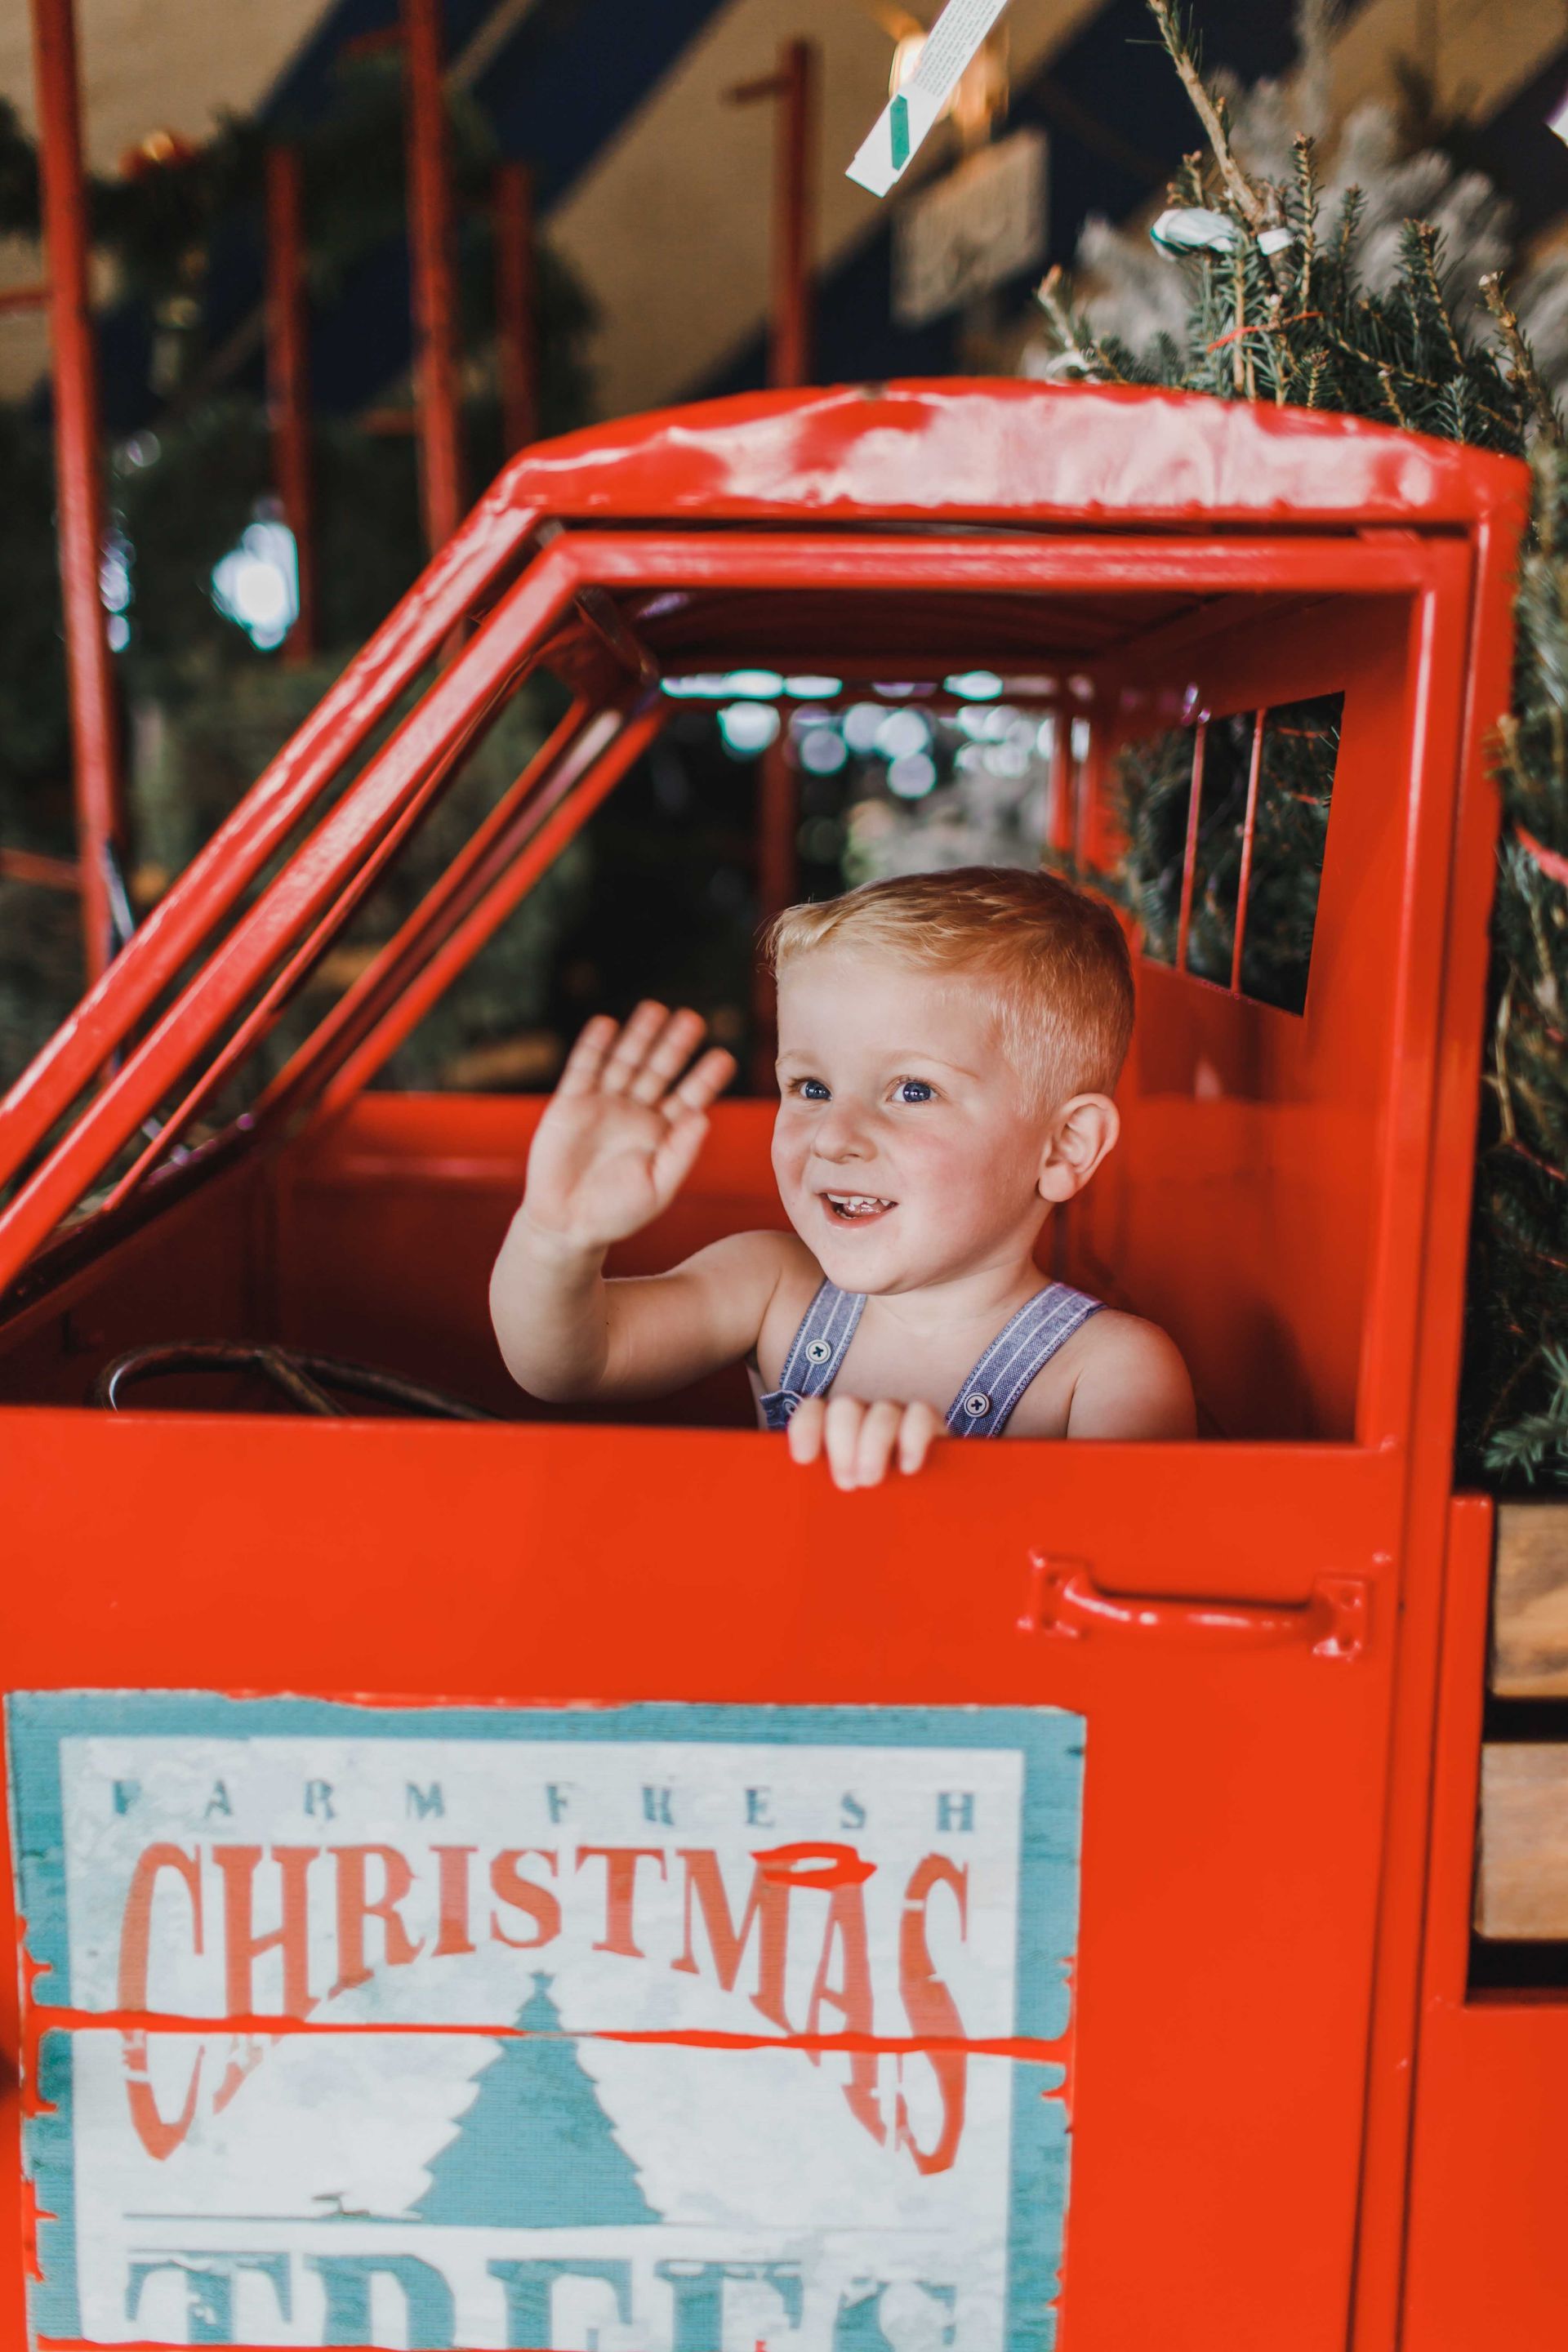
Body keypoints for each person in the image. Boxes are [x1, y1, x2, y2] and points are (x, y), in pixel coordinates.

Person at [490, 866, 1195, 1488]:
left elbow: (1120, 1582)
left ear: (1064, 1147)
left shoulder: (1109, 1372)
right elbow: (567, 1365)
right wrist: (555, 1235)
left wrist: (956, 1490)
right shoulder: (771, 1286)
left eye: (912, 1091)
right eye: (811, 1087)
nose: (834, 1136)